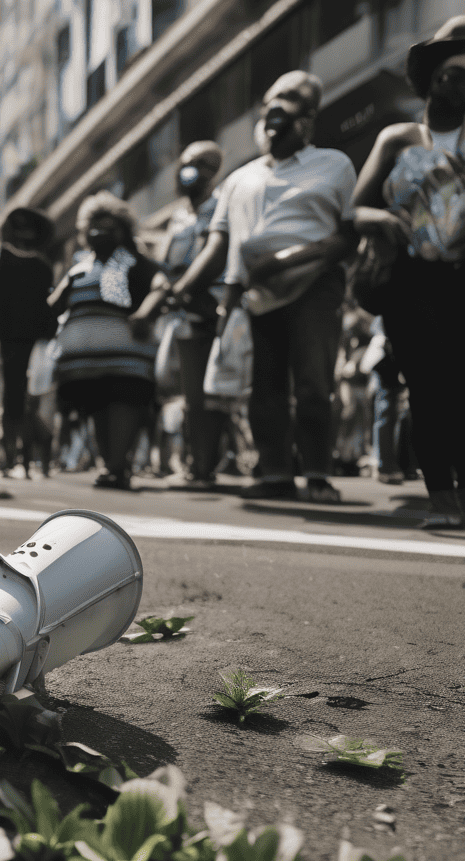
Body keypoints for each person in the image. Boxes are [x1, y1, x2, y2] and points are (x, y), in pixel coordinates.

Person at [163, 71, 358, 503]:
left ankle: (318, 474)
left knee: (313, 385)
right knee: (265, 389)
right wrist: (180, 289)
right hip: (253, 295)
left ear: (309, 117)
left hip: (314, 286)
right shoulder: (239, 179)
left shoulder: (335, 165)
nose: (277, 107)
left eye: (291, 98)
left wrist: (286, 261)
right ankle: (276, 474)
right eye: (273, 98)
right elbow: (219, 246)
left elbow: (347, 236)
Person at [352, 15, 465, 529]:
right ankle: (441, 497)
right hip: (410, 283)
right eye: (453, 72)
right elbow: (354, 209)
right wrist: (380, 219)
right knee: (427, 387)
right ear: (433, 76)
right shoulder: (399, 137)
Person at [48, 191, 164, 490]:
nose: (100, 233)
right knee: (96, 407)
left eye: (109, 227)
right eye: (95, 227)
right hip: (83, 365)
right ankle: (111, 465)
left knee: (123, 404)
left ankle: (117, 465)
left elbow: (160, 286)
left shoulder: (131, 262)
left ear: (124, 230)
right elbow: (54, 304)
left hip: (126, 358)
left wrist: (144, 313)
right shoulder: (80, 267)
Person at [134, 142, 229, 488]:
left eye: (201, 164)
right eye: (187, 162)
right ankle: (196, 463)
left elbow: (214, 255)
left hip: (211, 308)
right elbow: (165, 264)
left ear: (214, 170)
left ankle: (204, 467)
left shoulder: (221, 207)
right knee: (188, 394)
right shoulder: (178, 216)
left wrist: (181, 290)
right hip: (180, 314)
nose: (190, 170)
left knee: (211, 394)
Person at [0, 207, 58, 477]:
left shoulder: (10, 260)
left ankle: (15, 458)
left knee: (17, 399)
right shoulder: (41, 265)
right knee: (23, 400)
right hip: (23, 343)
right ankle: (18, 458)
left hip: (20, 344)